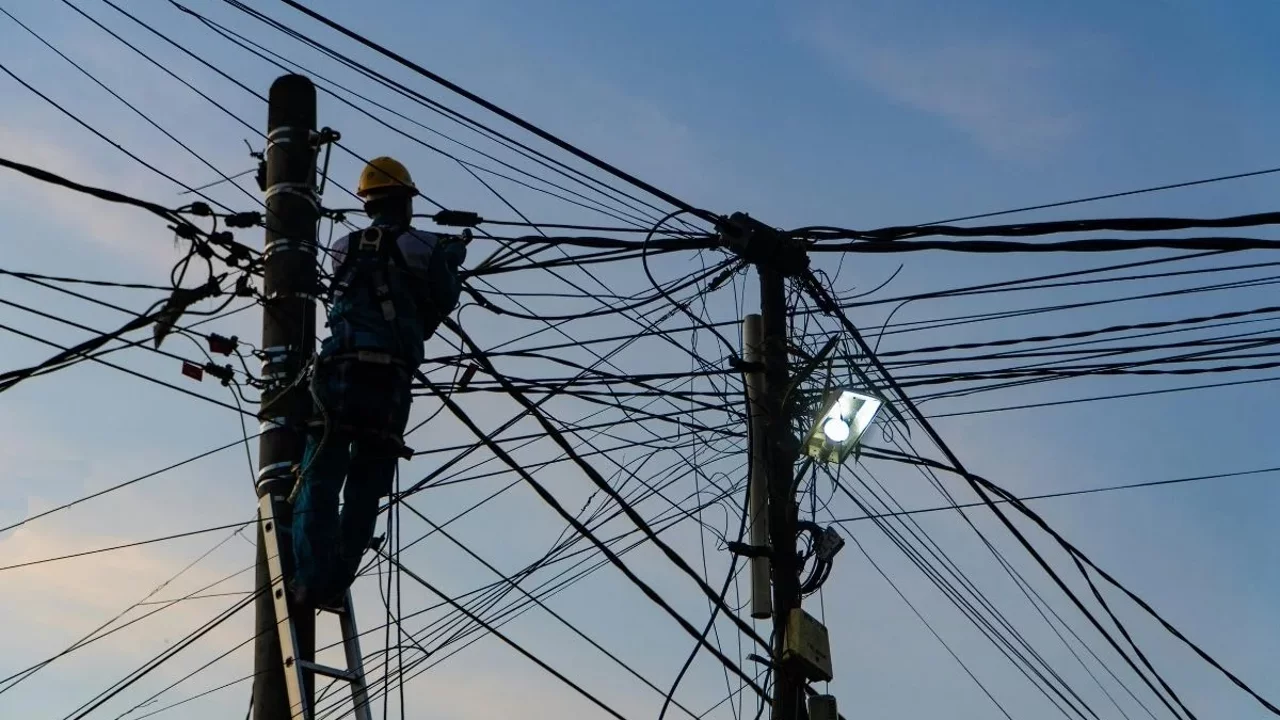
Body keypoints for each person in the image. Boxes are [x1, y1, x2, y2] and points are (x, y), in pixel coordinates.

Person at [290, 156, 467, 609]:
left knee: (319, 475)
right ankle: (336, 581)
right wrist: (451, 258)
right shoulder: (425, 246)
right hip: (388, 382)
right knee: (367, 485)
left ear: (367, 203)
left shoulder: (341, 247)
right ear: (407, 201)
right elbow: (443, 298)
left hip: (338, 371)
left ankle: (307, 578)